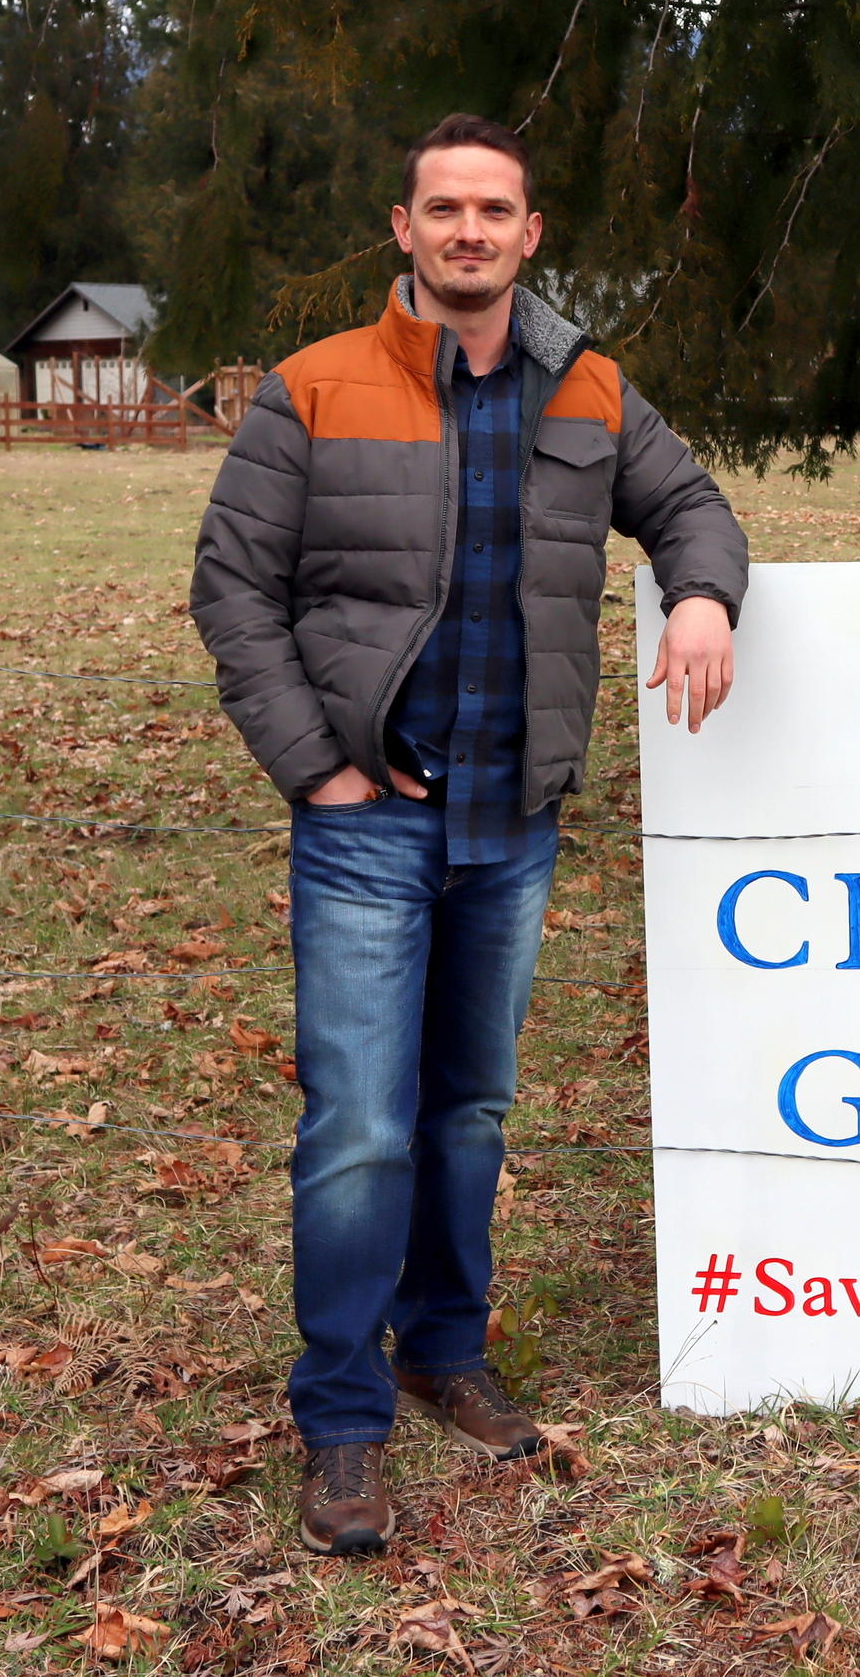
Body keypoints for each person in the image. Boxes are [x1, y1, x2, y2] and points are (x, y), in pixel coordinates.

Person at [190, 113, 748, 1555]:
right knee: (362, 1127)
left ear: (531, 231)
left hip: (516, 818)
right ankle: (342, 1416)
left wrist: (701, 594)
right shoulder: (313, 389)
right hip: (373, 818)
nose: (470, 232)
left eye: (494, 209)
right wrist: (317, 769)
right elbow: (232, 587)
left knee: (471, 1108)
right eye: (444, 209)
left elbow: (691, 506)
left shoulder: (589, 386)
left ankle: (447, 1348)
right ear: (403, 230)